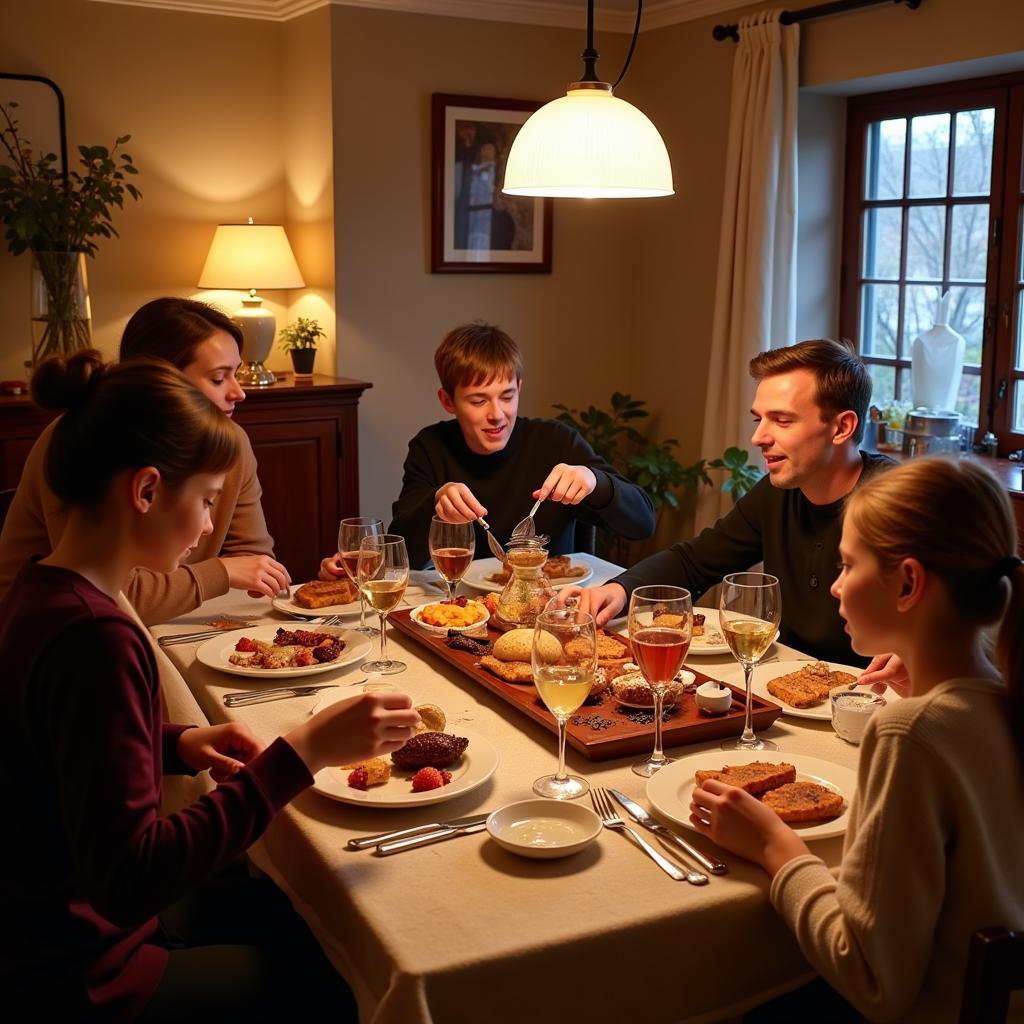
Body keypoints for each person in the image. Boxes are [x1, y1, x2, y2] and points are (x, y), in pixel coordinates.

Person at [0, 351, 421, 1021]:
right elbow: (129, 878)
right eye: (202, 500)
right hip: (86, 973)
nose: (204, 527)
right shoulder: (97, 637)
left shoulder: (42, 590)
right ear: (144, 491)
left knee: (300, 903)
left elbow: (64, 749)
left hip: (49, 927)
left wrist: (175, 741)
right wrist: (302, 753)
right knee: (344, 972)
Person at [690, 457, 1024, 1023]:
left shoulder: (909, 732)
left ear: (909, 582)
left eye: (848, 565)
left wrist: (776, 846)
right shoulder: (1002, 700)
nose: (837, 585)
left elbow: (871, 976)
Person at [562, 339, 892, 667]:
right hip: (784, 684)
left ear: (842, 427)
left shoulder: (898, 501)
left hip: (877, 700)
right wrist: (618, 591)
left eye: (782, 420)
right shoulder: (777, 493)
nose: (759, 437)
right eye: (758, 419)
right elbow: (695, 561)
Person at [0, 297, 291, 625]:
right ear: (162, 378)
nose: (239, 392)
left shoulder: (231, 441)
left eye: (236, 373)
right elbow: (111, 595)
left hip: (157, 622)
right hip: (41, 633)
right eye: (218, 378)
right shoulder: (86, 439)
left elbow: (255, 564)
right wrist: (221, 572)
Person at [354, 321, 655, 572]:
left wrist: (595, 481)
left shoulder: (556, 441)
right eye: (478, 400)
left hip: (547, 611)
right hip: (463, 612)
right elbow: (398, 556)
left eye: (507, 396)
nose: (496, 414)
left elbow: (643, 523)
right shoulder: (430, 447)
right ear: (448, 401)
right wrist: (435, 502)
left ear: (520, 389)